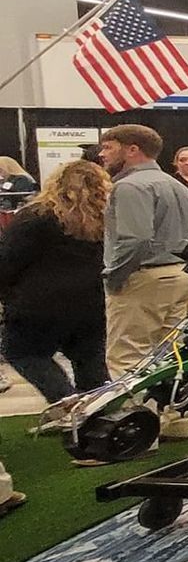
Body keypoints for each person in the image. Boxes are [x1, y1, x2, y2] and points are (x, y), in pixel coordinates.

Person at [99, 124, 188, 442]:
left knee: (128, 357)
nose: (102, 154)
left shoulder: (130, 187)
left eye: (108, 147)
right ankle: (177, 422)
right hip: (178, 277)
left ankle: (138, 436)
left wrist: (114, 276)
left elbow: (135, 239)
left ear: (132, 149)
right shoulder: (176, 186)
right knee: (173, 354)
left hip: (141, 278)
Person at [0, 160, 111, 403]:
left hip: (36, 303)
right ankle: (102, 414)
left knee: (23, 354)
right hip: (91, 300)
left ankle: (67, 403)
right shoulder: (104, 219)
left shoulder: (35, 216)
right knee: (90, 361)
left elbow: (8, 259)